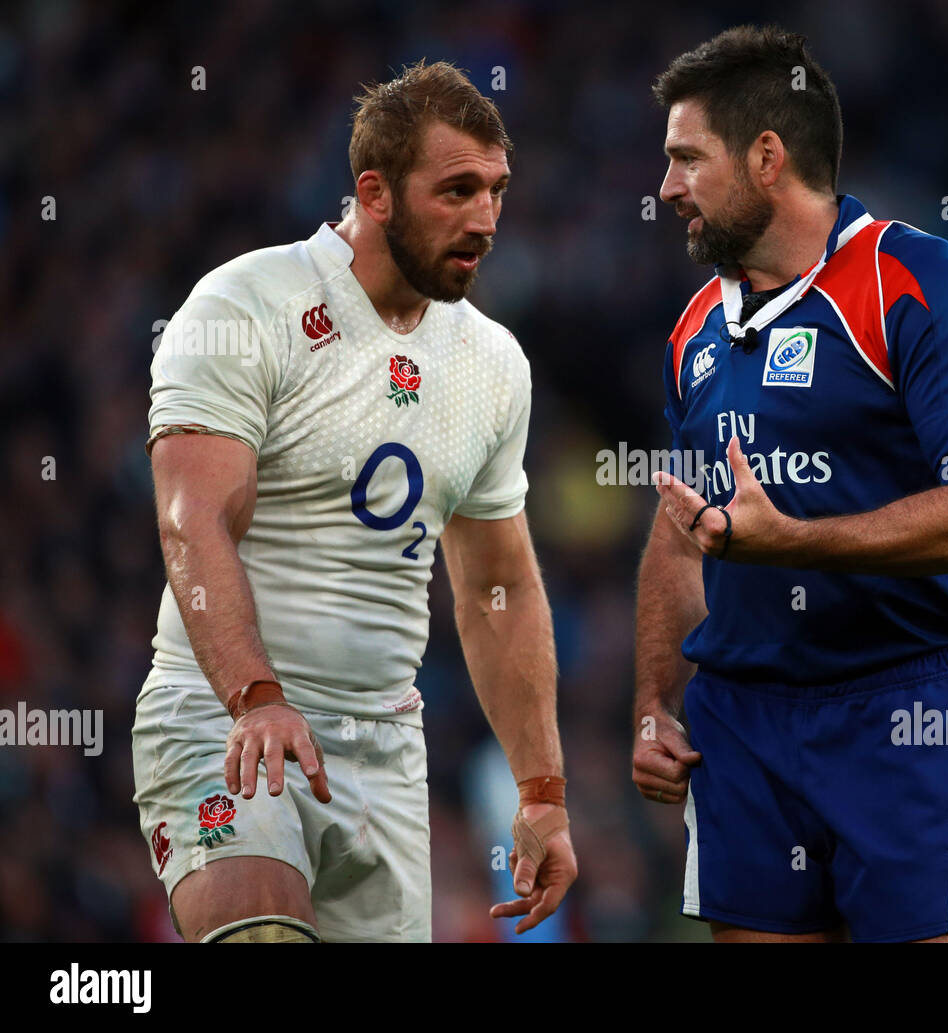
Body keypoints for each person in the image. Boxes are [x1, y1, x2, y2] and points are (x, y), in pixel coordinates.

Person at [133, 60, 576, 942]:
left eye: (496, 191)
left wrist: (542, 792)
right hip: (226, 722)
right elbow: (193, 517)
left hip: (384, 757)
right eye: (456, 191)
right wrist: (256, 695)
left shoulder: (493, 364)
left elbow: (501, 590)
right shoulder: (245, 304)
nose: (485, 219)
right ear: (374, 193)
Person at [632, 26, 948, 943]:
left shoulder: (922, 282)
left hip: (905, 711)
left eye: (688, 159)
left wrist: (797, 541)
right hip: (743, 717)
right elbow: (677, 529)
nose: (666, 190)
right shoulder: (694, 327)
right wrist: (655, 700)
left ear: (766, 157)